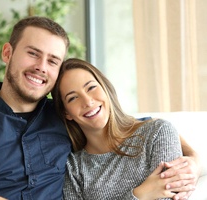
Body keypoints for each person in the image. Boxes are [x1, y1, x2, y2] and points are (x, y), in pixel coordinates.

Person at [0, 16, 199, 200]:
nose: (41, 67)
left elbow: (134, 125)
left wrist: (195, 161)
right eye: (33, 53)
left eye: (53, 60)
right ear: (8, 53)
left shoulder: (65, 114)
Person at [51, 58, 199, 200]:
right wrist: (140, 194)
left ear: (105, 88)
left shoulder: (157, 133)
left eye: (91, 87)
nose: (88, 101)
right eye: (73, 98)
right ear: (66, 113)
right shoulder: (73, 169)